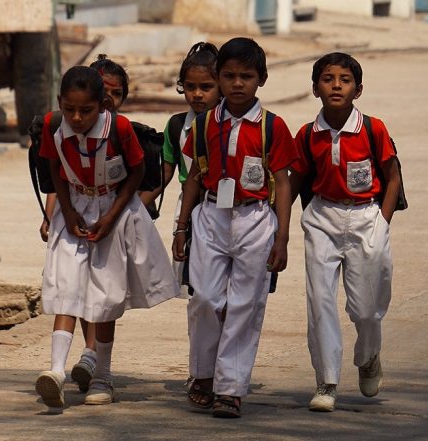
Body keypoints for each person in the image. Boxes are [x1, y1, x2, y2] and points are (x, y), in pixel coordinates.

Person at [35, 65, 179, 413]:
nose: (77, 117)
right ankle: (55, 372)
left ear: (102, 104)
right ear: (60, 103)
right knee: (65, 287)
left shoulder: (120, 128)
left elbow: (138, 171)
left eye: (86, 110)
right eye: (70, 109)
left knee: (104, 295)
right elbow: (54, 168)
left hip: (111, 206)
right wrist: (65, 212)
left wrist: (112, 215)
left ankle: (103, 376)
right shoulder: (54, 127)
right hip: (74, 209)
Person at [171, 37, 297, 418]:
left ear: (262, 79)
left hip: (255, 218)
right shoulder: (207, 121)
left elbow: (283, 182)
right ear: (218, 77)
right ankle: (203, 374)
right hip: (210, 217)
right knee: (205, 298)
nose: (237, 83)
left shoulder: (273, 126)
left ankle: (230, 388)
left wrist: (283, 237)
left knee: (245, 303)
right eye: (229, 76)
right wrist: (180, 227)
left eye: (246, 76)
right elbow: (195, 174)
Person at [289, 52, 400, 413]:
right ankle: (326, 380)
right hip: (323, 216)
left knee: (367, 309)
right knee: (320, 302)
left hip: (367, 216)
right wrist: (276, 224)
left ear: (358, 89)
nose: (336, 85)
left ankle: (368, 357)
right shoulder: (308, 134)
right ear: (315, 88)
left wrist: (382, 223)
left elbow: (393, 177)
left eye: (345, 80)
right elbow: (295, 180)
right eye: (327, 78)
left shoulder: (374, 128)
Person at [149, 42, 220, 298]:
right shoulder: (177, 125)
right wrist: (138, 205)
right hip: (189, 210)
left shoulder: (232, 124)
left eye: (206, 87)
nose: (197, 94)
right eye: (190, 87)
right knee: (195, 290)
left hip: (225, 209)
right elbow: (164, 174)